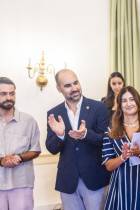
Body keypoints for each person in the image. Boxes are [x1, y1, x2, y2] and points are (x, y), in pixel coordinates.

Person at [46, 69, 110, 210]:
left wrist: (86, 134)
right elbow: (51, 148)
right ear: (59, 88)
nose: (74, 88)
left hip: (94, 178)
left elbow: (106, 140)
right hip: (68, 180)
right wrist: (60, 135)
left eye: (76, 83)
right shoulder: (54, 114)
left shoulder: (98, 108)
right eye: (68, 85)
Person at [102, 86, 140, 210]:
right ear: (119, 105)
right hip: (121, 187)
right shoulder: (110, 132)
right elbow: (108, 165)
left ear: (138, 102)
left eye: (132, 99)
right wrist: (123, 157)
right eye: (124, 100)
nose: (128, 103)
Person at [0, 77, 41, 210]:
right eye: (3, 94)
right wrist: (2, 161)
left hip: (22, 185)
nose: (9, 97)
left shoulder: (29, 121)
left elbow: (36, 150)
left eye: (12, 93)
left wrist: (19, 158)